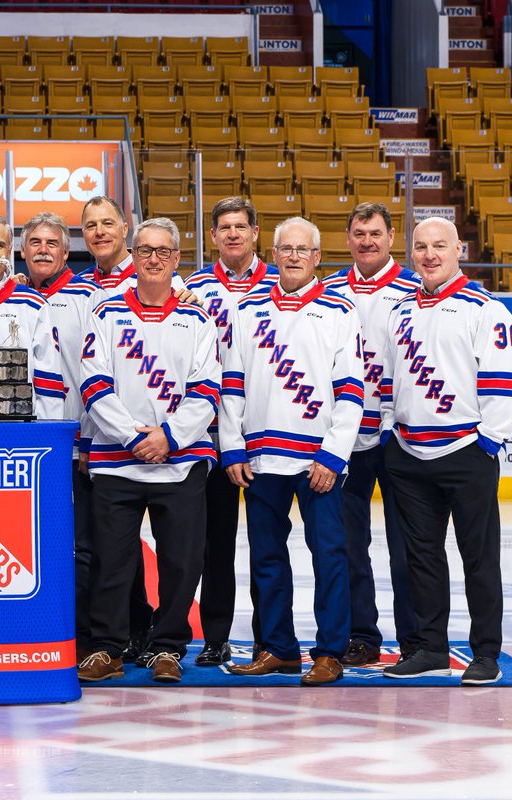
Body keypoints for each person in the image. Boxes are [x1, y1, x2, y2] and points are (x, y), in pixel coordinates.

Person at [221, 216, 363, 687]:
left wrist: (333, 454)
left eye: (304, 249)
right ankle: (278, 648)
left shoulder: (340, 312)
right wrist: (232, 447)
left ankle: (329, 653)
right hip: (260, 458)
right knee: (265, 556)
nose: (295, 256)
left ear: (318, 256)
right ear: (274, 254)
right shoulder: (247, 310)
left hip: (316, 461)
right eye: (287, 249)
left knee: (329, 556)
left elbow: (351, 391)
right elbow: (232, 386)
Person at [77, 217, 219, 683]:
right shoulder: (106, 313)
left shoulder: (197, 319)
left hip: (180, 464)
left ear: (177, 259)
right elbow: (94, 383)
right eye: (145, 251)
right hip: (118, 462)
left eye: (163, 251)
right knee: (112, 562)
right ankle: (108, 647)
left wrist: (169, 438)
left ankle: (168, 648)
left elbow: (206, 390)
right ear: (132, 257)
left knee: (181, 562)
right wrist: (134, 437)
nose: (154, 259)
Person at [379, 216, 512, 686]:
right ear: (411, 252)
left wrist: (487, 442)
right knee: (421, 558)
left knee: (479, 558)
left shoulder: (486, 310)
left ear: (459, 248)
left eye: (439, 245)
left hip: (466, 454)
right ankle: (431, 649)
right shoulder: (398, 310)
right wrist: (387, 431)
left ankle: (485, 654)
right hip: (408, 453)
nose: (429, 255)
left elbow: (501, 385)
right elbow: (384, 380)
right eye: (420, 247)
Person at [322, 203, 421, 667]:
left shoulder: (415, 289)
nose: (367, 241)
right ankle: (361, 634)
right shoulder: (325, 292)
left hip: (399, 438)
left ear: (391, 236)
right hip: (344, 440)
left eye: (375, 233)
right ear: (347, 238)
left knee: (408, 545)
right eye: (359, 233)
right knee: (347, 545)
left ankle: (416, 638)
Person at [183, 197, 277, 667]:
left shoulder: (284, 285)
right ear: (214, 235)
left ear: (256, 232)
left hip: (264, 435)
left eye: (242, 226)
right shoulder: (194, 288)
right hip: (212, 433)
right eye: (225, 228)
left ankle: (269, 640)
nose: (233, 234)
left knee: (267, 546)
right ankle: (216, 636)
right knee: (213, 546)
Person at [22, 212, 101, 658]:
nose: (43, 249)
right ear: (23, 249)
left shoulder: (90, 296)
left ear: (66, 250)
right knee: (32, 546)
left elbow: (98, 372)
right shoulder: (8, 297)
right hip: (24, 449)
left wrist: (91, 440)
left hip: (77, 445)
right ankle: (39, 630)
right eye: (35, 242)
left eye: (52, 242)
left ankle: (86, 638)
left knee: (84, 546)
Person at [0, 211, 66, 420]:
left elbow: (48, 383)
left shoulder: (33, 305)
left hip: (17, 433)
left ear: (8, 251)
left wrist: (45, 439)